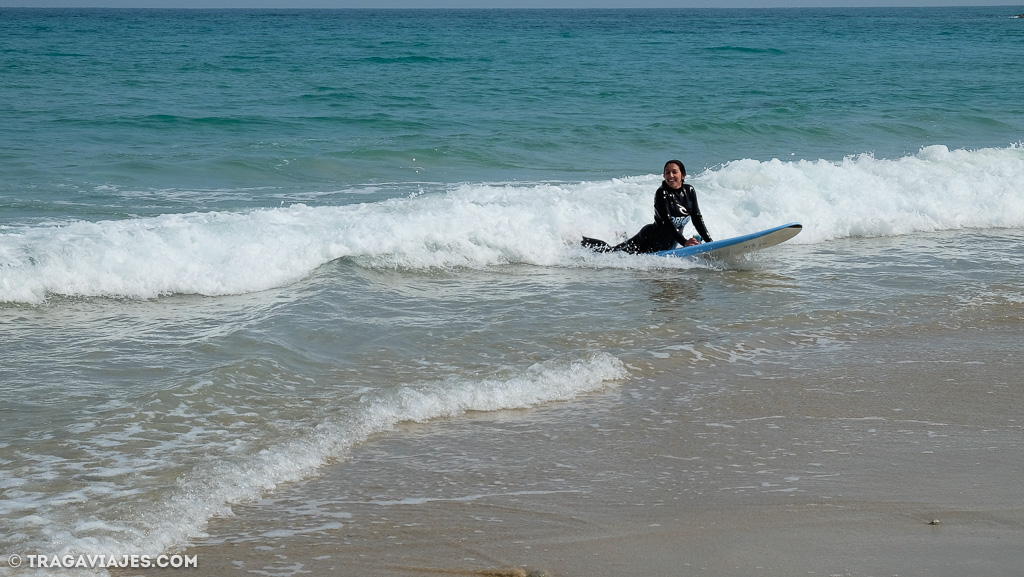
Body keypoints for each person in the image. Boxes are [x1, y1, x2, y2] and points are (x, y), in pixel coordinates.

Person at [582, 160, 713, 254]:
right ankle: (580, 242)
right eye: (667, 172)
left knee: (615, 250)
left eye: (674, 172)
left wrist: (710, 242)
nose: (670, 175)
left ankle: (623, 235)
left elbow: (697, 217)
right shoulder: (662, 193)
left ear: (683, 175)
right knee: (611, 252)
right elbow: (667, 223)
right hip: (649, 240)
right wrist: (684, 242)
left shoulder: (689, 190)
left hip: (669, 244)